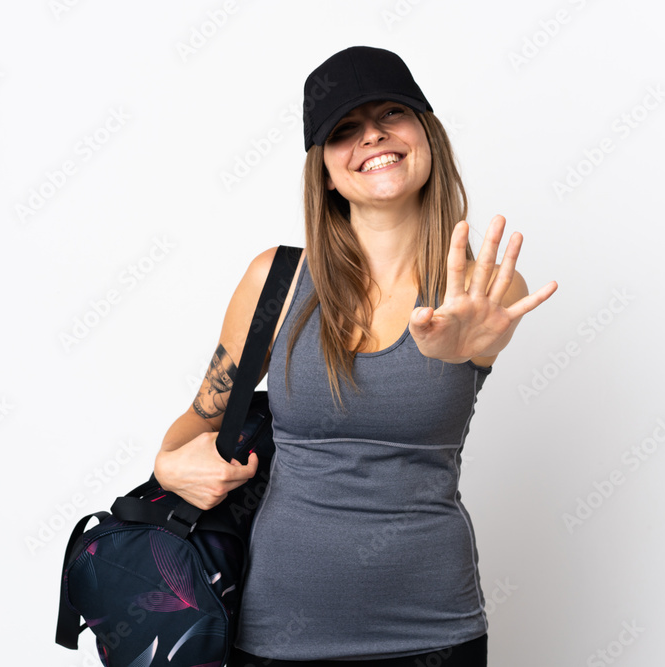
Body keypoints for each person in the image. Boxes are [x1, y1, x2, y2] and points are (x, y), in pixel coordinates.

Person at [153, 45, 557, 666]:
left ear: (427, 136)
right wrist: (170, 465)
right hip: (278, 636)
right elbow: (197, 422)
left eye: (391, 113)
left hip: (435, 635)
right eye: (344, 129)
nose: (372, 135)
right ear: (324, 171)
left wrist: (468, 352)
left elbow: (488, 338)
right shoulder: (276, 281)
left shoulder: (481, 292)